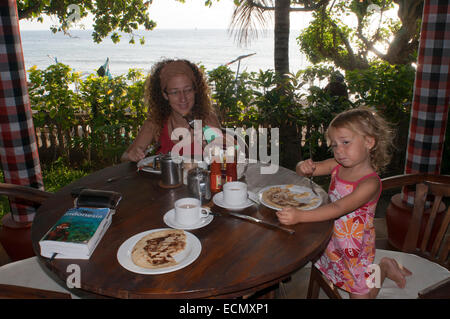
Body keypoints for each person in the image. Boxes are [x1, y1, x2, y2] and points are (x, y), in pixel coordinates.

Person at [276, 107, 412, 299]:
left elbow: (338, 208)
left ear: (369, 142)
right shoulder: (337, 165)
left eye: (345, 142)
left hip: (355, 248)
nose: (339, 151)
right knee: (329, 268)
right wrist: (303, 166)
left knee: (362, 297)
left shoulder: (370, 183)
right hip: (331, 239)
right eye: (334, 145)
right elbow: (303, 171)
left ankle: (384, 267)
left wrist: (300, 216)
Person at [121, 59, 222, 162]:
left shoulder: (207, 120)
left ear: (196, 90)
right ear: (165, 95)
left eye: (187, 90)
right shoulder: (155, 122)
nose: (183, 98)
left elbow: (229, 158)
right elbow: (125, 157)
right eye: (174, 92)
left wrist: (214, 150)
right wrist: (132, 156)